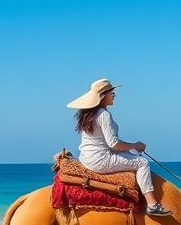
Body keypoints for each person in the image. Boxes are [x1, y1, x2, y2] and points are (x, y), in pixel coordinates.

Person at [67, 78, 172, 216]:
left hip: (87, 158)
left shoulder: (89, 114)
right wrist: (135, 145)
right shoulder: (104, 115)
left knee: (132, 156)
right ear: (103, 96)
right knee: (142, 163)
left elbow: (106, 142)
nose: (114, 96)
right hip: (101, 160)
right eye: (112, 93)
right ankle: (152, 204)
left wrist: (130, 148)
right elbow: (113, 144)